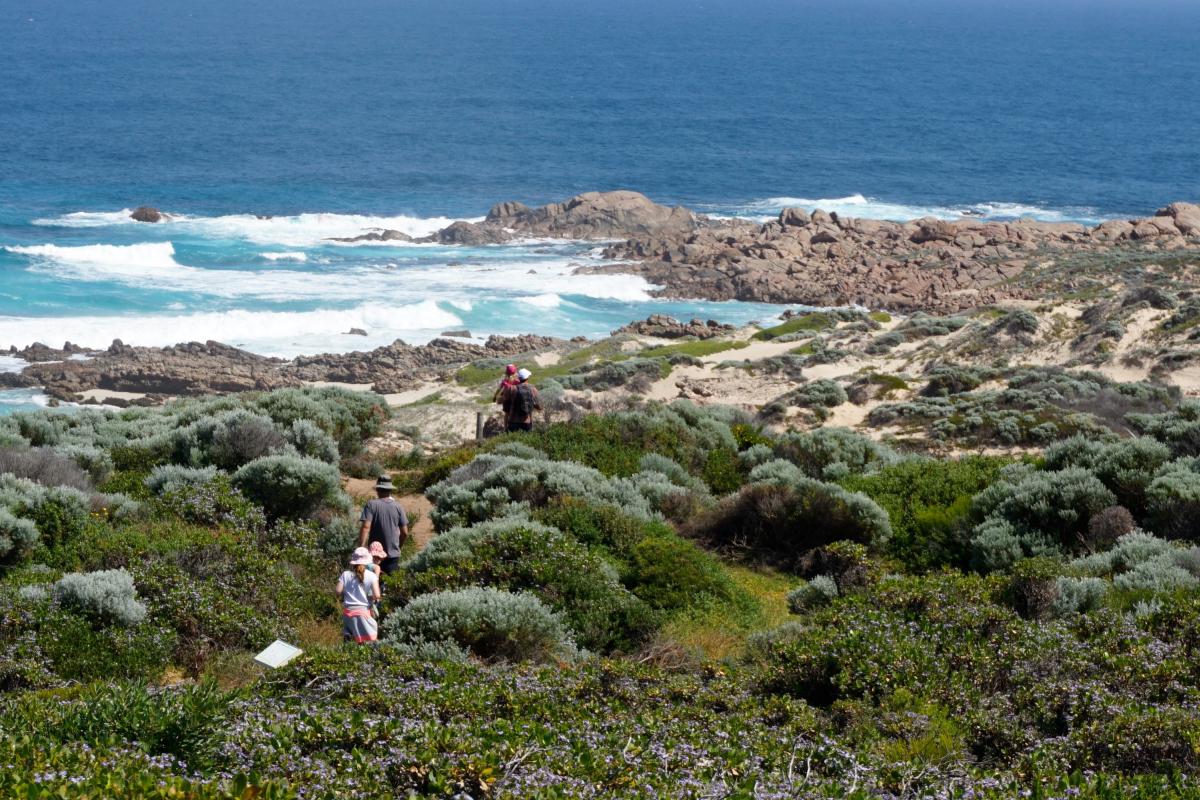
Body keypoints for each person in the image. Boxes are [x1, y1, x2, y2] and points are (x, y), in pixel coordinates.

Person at [358, 476, 409, 575]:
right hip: (393, 555)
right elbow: (405, 532)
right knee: (391, 584)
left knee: (373, 583)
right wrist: (398, 547)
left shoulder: (371, 505)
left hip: (374, 555)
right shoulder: (398, 506)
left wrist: (361, 549)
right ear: (390, 490)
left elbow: (366, 528)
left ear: (377, 489)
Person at [337, 547, 381, 644]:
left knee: (351, 641)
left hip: (348, 613)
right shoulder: (371, 576)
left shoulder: (345, 574)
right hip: (363, 613)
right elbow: (377, 595)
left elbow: (338, 591)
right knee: (370, 641)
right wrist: (370, 598)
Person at [499, 367, 542, 433]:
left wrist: (505, 427)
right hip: (527, 422)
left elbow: (506, 409)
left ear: (518, 378)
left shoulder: (511, 389)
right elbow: (539, 407)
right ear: (527, 378)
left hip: (512, 422)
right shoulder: (533, 389)